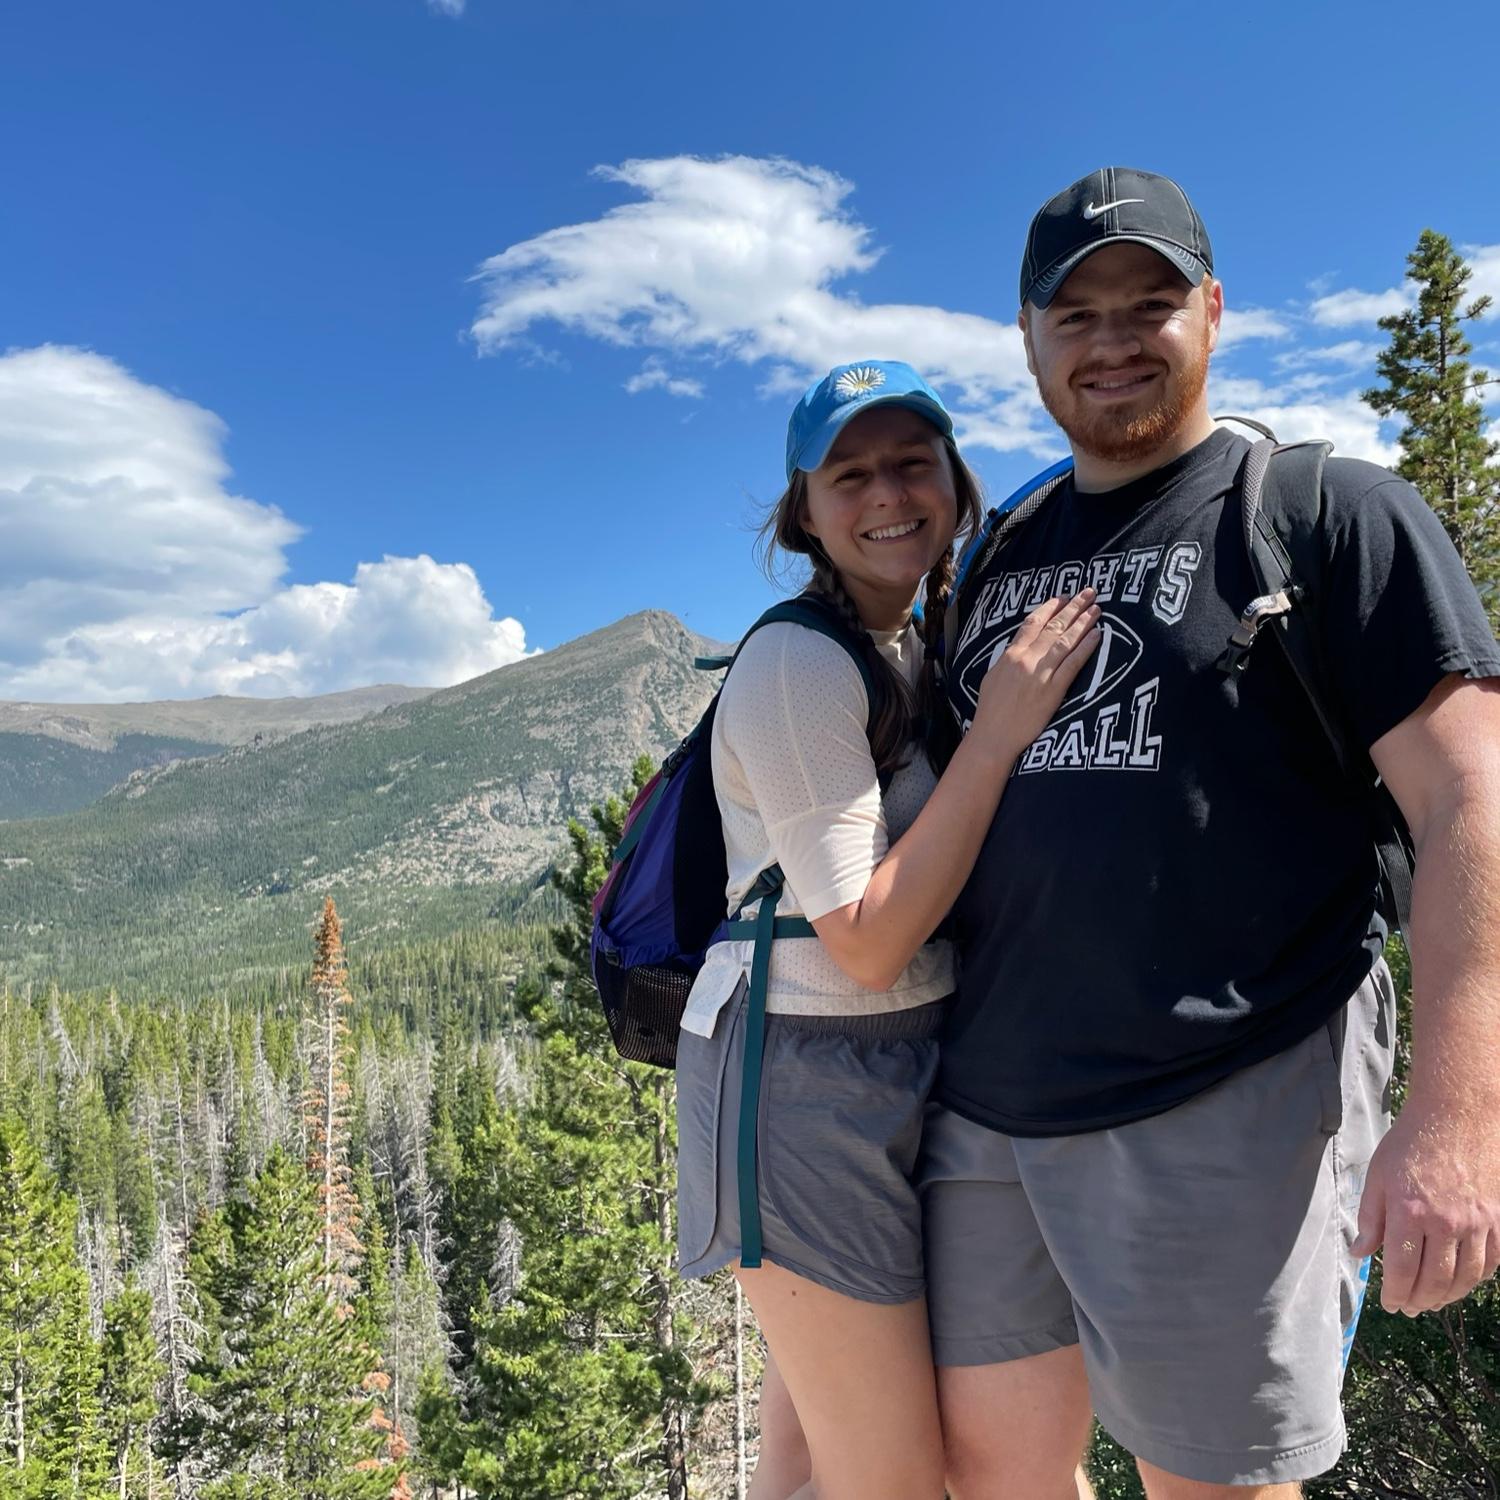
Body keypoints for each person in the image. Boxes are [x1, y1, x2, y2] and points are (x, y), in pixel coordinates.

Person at [921, 166, 1500, 1500]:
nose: (1113, 340)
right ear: (1027, 340)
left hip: (1231, 1099)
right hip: (993, 1114)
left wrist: (1461, 1116)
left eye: (1150, 303)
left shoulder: (1323, 519)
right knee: (996, 1480)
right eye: (1076, 315)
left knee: (1217, 1487)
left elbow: (1471, 799)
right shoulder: (1000, 550)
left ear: (1216, 312)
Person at [673, 359, 1103, 1500]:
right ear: (804, 512)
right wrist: (1002, 729)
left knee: (810, 1464)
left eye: (913, 463)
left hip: (883, 1064)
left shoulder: (910, 644)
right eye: (849, 473)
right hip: (798, 1077)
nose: (888, 495)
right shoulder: (798, 664)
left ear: (956, 481)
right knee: (892, 1483)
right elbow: (862, 934)